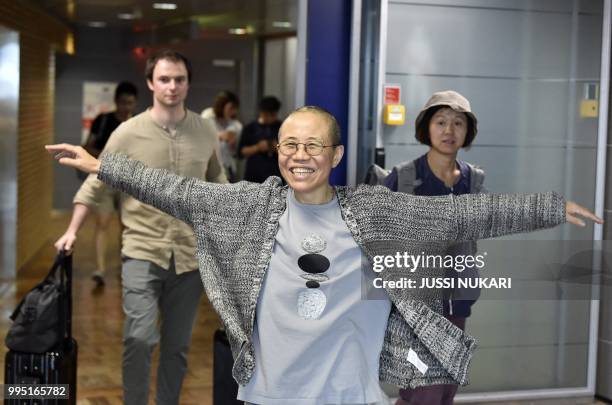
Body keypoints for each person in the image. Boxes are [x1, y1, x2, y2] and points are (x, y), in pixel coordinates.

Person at [47, 106, 602, 405]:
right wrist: (102, 166)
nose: (299, 155)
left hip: (351, 396)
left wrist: (550, 206)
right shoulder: (249, 207)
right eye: (290, 144)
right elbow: (178, 190)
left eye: (314, 145)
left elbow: (462, 215)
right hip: (267, 395)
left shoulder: (377, 210)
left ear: (335, 155)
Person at [53, 49, 227, 405]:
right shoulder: (127, 133)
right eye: (164, 79)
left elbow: (217, 181)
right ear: (151, 83)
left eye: (179, 79)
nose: (172, 86)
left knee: (177, 347)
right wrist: (71, 230)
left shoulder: (205, 131)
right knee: (139, 337)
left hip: (191, 259)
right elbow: (95, 182)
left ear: (188, 83)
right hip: (142, 251)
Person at [384, 90, 485, 405]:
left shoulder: (475, 180)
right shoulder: (403, 178)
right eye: (440, 122)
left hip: (457, 302)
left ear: (467, 132)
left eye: (458, 123)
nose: (449, 130)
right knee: (426, 387)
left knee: (441, 391)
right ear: (426, 128)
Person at [80, 81, 139, 287]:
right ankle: (100, 269)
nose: (126, 108)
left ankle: (125, 267)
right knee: (102, 223)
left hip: (128, 182)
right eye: (123, 103)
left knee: (127, 226)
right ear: (116, 102)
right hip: (104, 179)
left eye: (130, 103)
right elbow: (88, 147)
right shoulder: (103, 121)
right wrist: (107, 157)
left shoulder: (139, 125)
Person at [238, 96, 283, 183]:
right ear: (260, 112)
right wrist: (257, 147)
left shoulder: (283, 127)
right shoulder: (250, 128)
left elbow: (290, 152)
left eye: (272, 115)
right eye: (266, 115)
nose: (269, 118)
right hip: (253, 176)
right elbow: (241, 152)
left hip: (276, 176)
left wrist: (276, 148)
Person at [202, 90, 243, 181]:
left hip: (227, 168)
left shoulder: (236, 125)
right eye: (231, 108)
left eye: (235, 108)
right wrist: (220, 136)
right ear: (221, 106)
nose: (234, 112)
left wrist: (233, 144)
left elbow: (237, 152)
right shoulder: (208, 118)